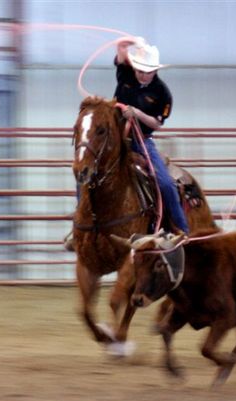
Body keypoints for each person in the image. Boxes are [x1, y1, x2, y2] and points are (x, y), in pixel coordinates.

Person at [64, 37, 188, 252]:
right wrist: (131, 41)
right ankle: (80, 226)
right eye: (139, 69)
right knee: (85, 170)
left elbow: (157, 123)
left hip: (141, 140)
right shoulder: (126, 73)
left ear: (154, 71)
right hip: (114, 138)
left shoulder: (162, 92)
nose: (141, 74)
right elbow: (121, 47)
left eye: (146, 71)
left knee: (165, 183)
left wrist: (138, 113)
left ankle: (181, 230)